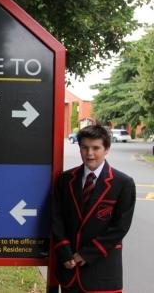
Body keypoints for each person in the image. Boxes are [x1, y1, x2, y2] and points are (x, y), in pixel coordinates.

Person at [52, 125, 136, 292]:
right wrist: (64, 250)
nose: (89, 153)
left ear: (107, 149)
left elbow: (120, 227)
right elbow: (57, 216)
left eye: (96, 148)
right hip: (70, 268)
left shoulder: (123, 183)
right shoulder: (65, 179)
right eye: (84, 147)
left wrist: (88, 253)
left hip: (102, 272)